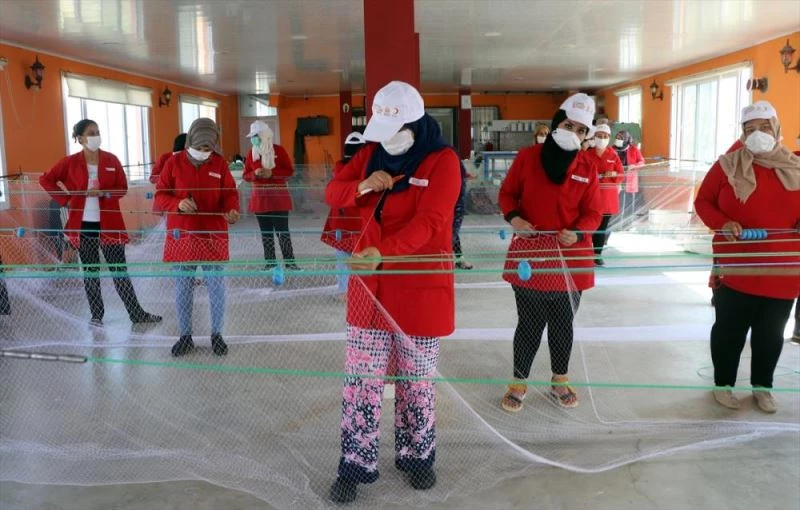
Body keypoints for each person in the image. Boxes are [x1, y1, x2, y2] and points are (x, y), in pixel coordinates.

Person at [325, 81, 461, 504]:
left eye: (394, 132)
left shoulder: (442, 162)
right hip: (370, 287)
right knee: (361, 383)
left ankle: (417, 457)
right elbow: (333, 191)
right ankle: (355, 462)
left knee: (416, 383)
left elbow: (432, 223)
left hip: (418, 289)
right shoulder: (370, 155)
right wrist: (363, 186)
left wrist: (383, 252)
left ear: (416, 125)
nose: (386, 144)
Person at [498, 93, 602, 413]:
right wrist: (515, 219)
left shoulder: (588, 165)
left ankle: (559, 379)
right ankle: (518, 381)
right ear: (557, 122)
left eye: (582, 130)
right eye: (569, 125)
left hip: (570, 258)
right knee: (528, 323)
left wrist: (580, 231)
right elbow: (508, 194)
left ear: (587, 136)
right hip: (531, 253)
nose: (574, 133)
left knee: (562, 324)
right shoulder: (528, 158)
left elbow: (594, 212)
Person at [694, 100, 800, 413]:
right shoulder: (728, 164)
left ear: (777, 129)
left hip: (783, 271)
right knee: (729, 331)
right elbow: (703, 202)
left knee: (770, 334)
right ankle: (724, 384)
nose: (757, 134)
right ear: (741, 133)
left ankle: (762, 388)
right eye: (749, 129)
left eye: (764, 127)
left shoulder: (795, 165)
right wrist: (722, 223)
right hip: (736, 268)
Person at [40, 119, 161, 326]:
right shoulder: (69, 162)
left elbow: (122, 188)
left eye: (97, 131)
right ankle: (97, 315)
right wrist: (66, 199)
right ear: (80, 138)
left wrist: (104, 192)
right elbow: (46, 179)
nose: (96, 136)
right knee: (90, 272)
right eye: (90, 132)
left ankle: (136, 313)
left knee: (119, 270)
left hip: (110, 223)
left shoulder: (111, 160)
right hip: (84, 225)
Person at [155, 118, 240, 357]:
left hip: (212, 233)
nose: (204, 153)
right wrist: (178, 203)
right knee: (183, 287)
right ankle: (185, 335)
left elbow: (230, 193)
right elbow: (161, 195)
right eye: (200, 148)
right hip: (183, 234)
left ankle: (217, 334)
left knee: (216, 287)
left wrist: (231, 210)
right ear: (190, 141)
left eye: (209, 148)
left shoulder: (220, 164)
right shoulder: (173, 163)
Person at [242, 121, 301, 271]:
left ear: (264, 135)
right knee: (266, 233)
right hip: (260, 200)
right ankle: (270, 262)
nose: (254, 139)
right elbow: (246, 176)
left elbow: (289, 171)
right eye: (252, 137)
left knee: (283, 232)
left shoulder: (279, 151)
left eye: (256, 136)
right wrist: (255, 174)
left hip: (278, 199)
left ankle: (290, 262)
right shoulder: (252, 153)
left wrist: (272, 173)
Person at [321, 132, 367, 298]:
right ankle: (361, 291)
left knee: (343, 257)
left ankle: (344, 291)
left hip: (341, 224)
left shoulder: (338, 172)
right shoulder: (366, 174)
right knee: (362, 257)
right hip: (361, 224)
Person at [585, 124, 624, 265]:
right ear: (594, 137)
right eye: (599, 136)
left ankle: (597, 254)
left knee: (601, 229)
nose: (601, 139)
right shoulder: (587, 154)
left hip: (607, 199)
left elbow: (621, 175)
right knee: (589, 226)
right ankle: (586, 252)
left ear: (609, 138)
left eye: (604, 137)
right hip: (590, 198)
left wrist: (613, 173)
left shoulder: (613, 155)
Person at [614, 130, 645, 224]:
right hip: (616, 179)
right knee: (618, 201)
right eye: (617, 137)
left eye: (621, 138)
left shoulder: (633, 149)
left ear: (626, 139)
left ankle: (628, 222)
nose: (618, 139)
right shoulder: (612, 149)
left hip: (630, 180)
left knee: (629, 201)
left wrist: (634, 166)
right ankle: (616, 221)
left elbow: (642, 162)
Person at [453, 161, 473, 270]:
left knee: (453, 232)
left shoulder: (454, 159)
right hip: (450, 203)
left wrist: (464, 175)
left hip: (456, 203)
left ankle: (459, 259)